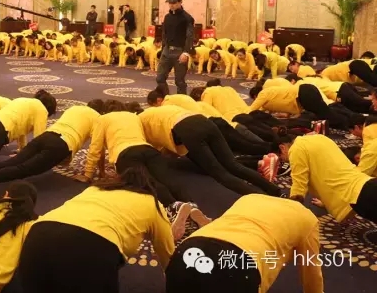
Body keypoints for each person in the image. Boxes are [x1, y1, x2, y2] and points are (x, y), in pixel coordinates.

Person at [18, 167, 175, 293]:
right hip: (92, 246)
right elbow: (167, 253)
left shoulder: (95, 189)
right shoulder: (152, 202)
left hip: (38, 234)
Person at [81, 108, 210, 240]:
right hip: (148, 150)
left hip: (125, 154)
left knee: (148, 183)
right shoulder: (133, 116)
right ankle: (192, 206)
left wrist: (88, 174)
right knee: (169, 180)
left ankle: (173, 207)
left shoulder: (102, 120)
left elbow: (95, 149)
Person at [166, 194, 323, 293]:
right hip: (239, 264)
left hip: (189, 248)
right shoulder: (306, 217)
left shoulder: (250, 198)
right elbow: (311, 269)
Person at [0, 101, 103, 200]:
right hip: (61, 145)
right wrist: (89, 174)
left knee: (11, 162)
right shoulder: (99, 119)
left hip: (46, 136)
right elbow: (96, 147)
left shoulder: (75, 108)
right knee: (23, 169)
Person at [139, 105, 281, 196]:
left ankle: (260, 197)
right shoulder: (156, 111)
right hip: (204, 121)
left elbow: (152, 150)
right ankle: (274, 191)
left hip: (187, 129)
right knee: (233, 165)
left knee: (220, 174)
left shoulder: (139, 121)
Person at [276, 133, 377, 224]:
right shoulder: (319, 138)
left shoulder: (296, 149)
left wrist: (290, 212)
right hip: (366, 184)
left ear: (282, 148)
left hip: (355, 195)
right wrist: (326, 202)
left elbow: (299, 185)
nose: (284, 161)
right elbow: (330, 171)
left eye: (281, 159)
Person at [156, 0, 194, 95]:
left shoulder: (187, 18)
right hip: (166, 51)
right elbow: (164, 35)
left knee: (179, 81)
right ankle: (166, 98)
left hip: (180, 52)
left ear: (180, 2)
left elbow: (190, 36)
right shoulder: (167, 17)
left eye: (174, 2)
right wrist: (163, 49)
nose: (171, 5)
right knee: (160, 78)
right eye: (170, 2)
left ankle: (181, 101)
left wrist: (186, 52)